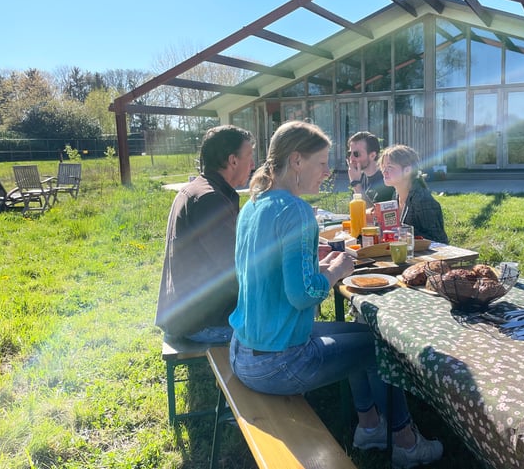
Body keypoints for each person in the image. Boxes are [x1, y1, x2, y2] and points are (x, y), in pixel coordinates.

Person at [229, 121, 443, 468]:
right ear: (296, 161)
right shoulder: (296, 210)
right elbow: (305, 295)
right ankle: (405, 443)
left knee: (364, 336)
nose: (328, 172)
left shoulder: (253, 205)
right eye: (322, 163)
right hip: (278, 362)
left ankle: (370, 426)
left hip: (243, 350)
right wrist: (337, 269)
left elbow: (270, 271)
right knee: (381, 347)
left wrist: (316, 262)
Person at [155, 125, 256, 343]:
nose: (253, 165)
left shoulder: (203, 190)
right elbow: (235, 268)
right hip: (204, 323)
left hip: (190, 315)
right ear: (233, 160)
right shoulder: (209, 199)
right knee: (283, 327)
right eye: (249, 156)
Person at [380, 145, 448, 244]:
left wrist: (406, 234)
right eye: (383, 167)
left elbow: (439, 241)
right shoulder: (396, 194)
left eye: (390, 167)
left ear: (407, 170)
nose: (384, 171)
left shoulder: (422, 200)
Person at [347, 131, 394, 207]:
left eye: (356, 154)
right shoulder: (360, 177)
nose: (351, 158)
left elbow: (375, 213)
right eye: (349, 153)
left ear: (372, 155)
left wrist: (356, 184)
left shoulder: (386, 179)